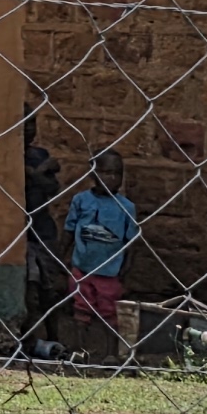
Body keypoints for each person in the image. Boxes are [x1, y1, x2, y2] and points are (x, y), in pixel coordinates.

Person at [65, 148, 142, 362]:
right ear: (93, 174)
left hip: (109, 271)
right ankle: (80, 349)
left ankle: (110, 353)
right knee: (81, 310)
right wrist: (63, 259)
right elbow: (70, 231)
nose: (112, 179)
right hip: (82, 267)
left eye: (117, 174)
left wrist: (126, 268)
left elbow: (132, 241)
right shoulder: (81, 201)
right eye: (106, 173)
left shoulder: (126, 207)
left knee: (110, 313)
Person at [23, 134, 68, 359]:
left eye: (32, 124)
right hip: (22, 233)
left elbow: (52, 188)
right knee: (31, 287)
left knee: (49, 289)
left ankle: (54, 337)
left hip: (43, 230)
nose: (28, 130)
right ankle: (29, 339)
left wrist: (35, 174)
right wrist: (39, 172)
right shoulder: (7, 157)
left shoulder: (38, 156)